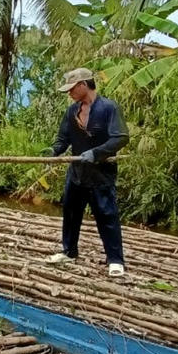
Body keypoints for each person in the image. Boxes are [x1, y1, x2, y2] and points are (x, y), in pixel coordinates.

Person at [46, 67, 129, 277]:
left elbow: (120, 137)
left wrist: (97, 152)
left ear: (84, 85)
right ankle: (69, 251)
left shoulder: (109, 108)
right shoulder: (72, 112)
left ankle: (115, 260)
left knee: (106, 215)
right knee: (71, 213)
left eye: (72, 89)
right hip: (76, 173)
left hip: (101, 174)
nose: (69, 93)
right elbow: (63, 139)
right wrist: (54, 151)